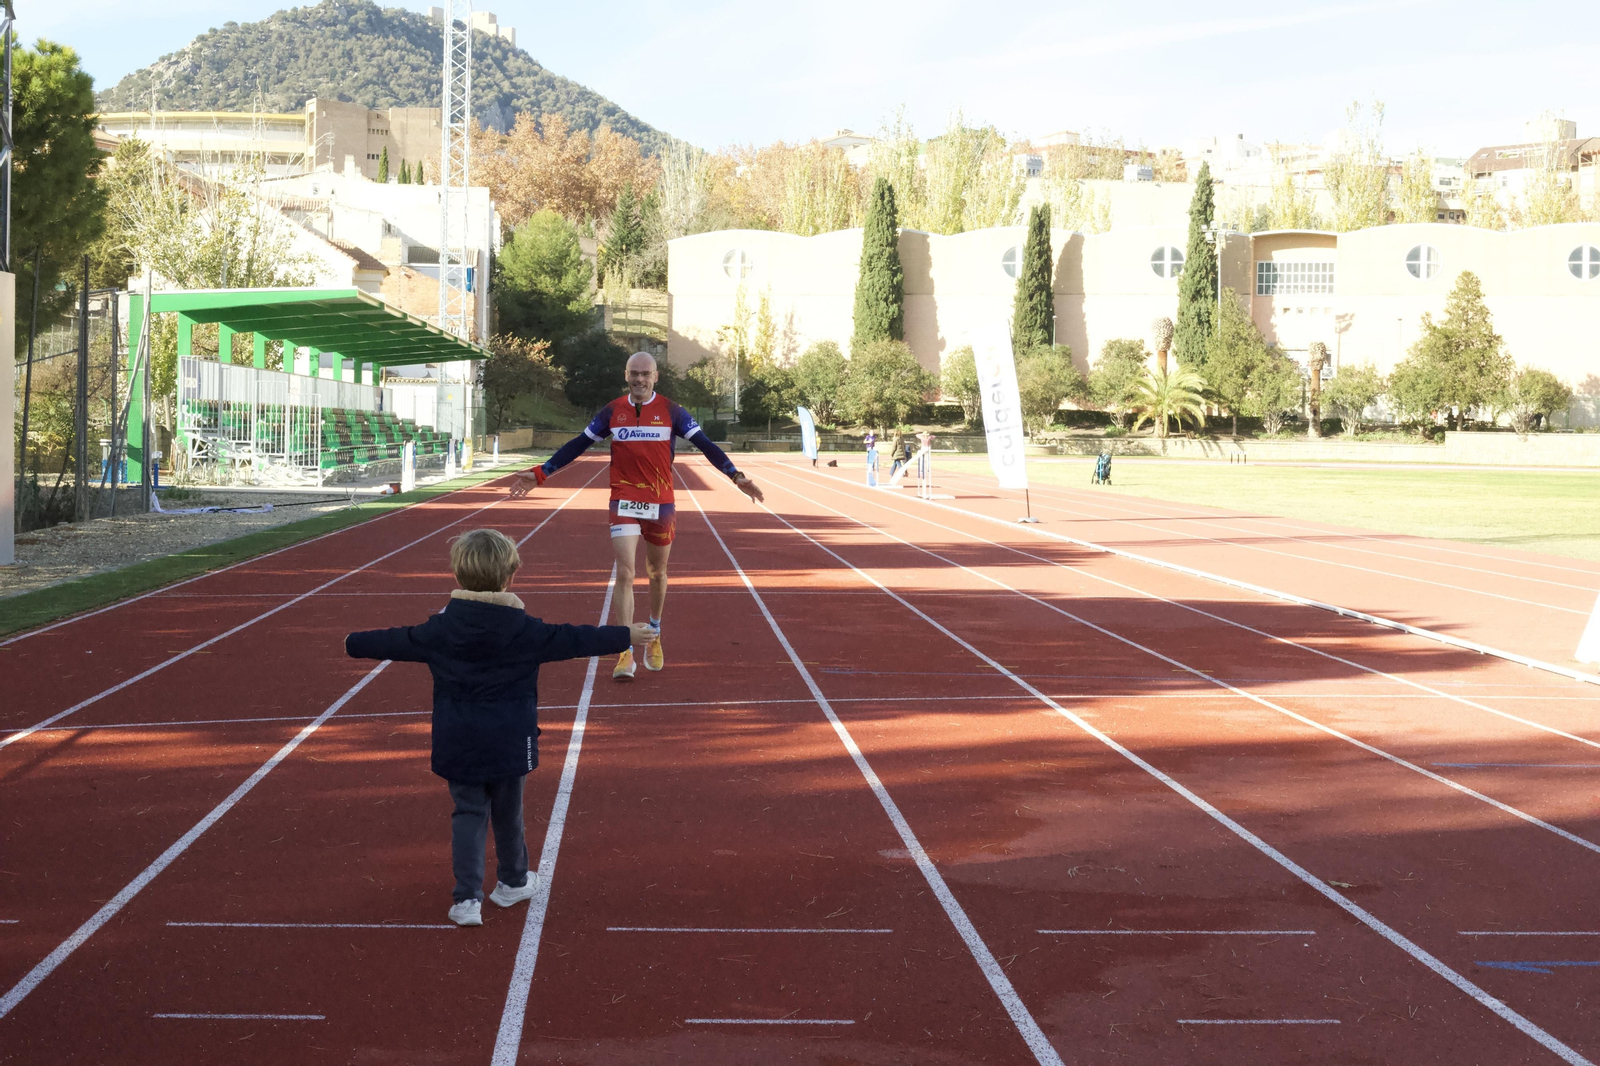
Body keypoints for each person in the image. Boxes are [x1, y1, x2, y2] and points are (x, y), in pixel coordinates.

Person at [344, 528, 656, 927]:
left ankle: (466, 899)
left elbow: (395, 640)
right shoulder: (527, 630)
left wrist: (352, 642)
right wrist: (626, 635)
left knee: (468, 812)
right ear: (511, 575)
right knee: (509, 812)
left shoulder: (438, 631)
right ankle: (512, 881)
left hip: (457, 739)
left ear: (457, 575)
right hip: (511, 739)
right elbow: (576, 639)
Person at [509, 352, 764, 681]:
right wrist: (541, 472)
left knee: (657, 572)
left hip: (661, 504)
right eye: (634, 373)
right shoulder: (612, 411)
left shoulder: (673, 411)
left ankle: (654, 632)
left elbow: (705, 444)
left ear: (656, 376)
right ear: (626, 375)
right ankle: (625, 648)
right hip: (624, 501)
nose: (639, 379)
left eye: (645, 374)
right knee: (626, 572)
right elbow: (579, 444)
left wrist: (735, 475)